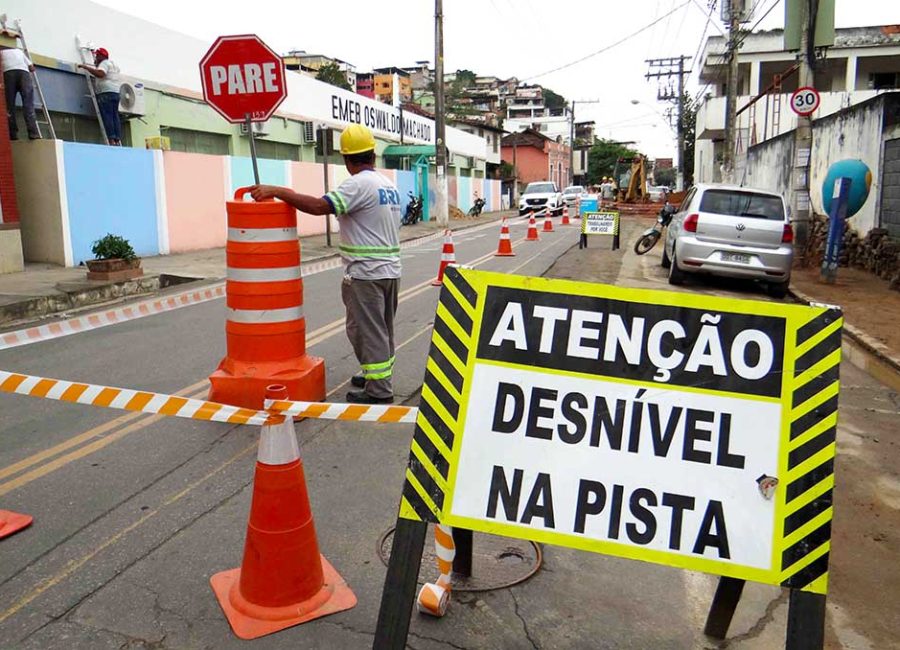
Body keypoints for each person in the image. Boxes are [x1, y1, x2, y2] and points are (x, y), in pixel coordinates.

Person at [250, 124, 401, 405]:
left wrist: (280, 191)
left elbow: (320, 206)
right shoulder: (387, 185)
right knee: (383, 329)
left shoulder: (358, 184)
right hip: (390, 270)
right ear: (373, 155)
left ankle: (379, 390)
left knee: (365, 331)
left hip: (366, 273)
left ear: (346, 159)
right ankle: (377, 375)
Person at [77, 47, 122, 145]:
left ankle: (111, 139)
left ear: (102, 56)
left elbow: (101, 74)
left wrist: (86, 67)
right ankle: (117, 139)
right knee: (115, 116)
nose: (96, 57)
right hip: (115, 92)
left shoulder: (104, 64)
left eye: (97, 55)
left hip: (106, 93)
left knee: (108, 116)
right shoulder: (113, 64)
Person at [1, 45, 40, 141]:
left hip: (8, 74)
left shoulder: (1, 53)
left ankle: (13, 135)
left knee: (9, 106)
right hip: (24, 74)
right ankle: (33, 133)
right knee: (28, 105)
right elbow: (32, 68)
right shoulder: (19, 51)